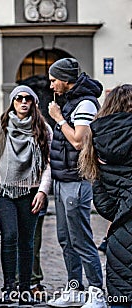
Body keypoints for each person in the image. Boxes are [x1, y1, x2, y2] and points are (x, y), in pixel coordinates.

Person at [0, 85, 52, 306]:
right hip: (5, 190)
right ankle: (8, 288)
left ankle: (25, 290)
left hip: (31, 191)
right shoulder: (2, 126)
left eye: (28, 99)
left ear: (33, 102)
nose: (24, 102)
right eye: (19, 98)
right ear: (12, 102)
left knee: (27, 242)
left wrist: (43, 190)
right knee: (10, 236)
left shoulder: (43, 128)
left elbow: (49, 164)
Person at [46, 58, 105, 308]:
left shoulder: (85, 103)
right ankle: (75, 289)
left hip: (76, 181)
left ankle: (97, 293)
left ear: (66, 79)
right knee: (65, 239)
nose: (51, 85)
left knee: (80, 238)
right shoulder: (71, 101)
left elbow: (79, 141)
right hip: (62, 180)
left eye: (53, 80)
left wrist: (58, 119)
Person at [79, 84, 132, 308]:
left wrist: (122, 212)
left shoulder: (95, 138)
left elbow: (102, 203)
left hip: (120, 235)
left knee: (121, 299)